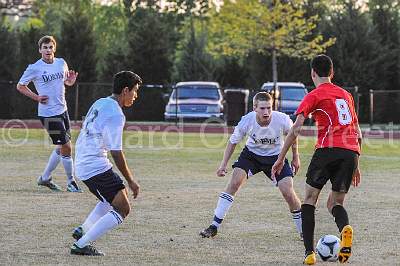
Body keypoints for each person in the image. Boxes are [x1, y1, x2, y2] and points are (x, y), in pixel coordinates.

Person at [271, 54, 362, 265]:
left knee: (310, 200)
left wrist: (281, 156)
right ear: (332, 73)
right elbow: (356, 130)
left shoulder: (314, 95)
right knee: (335, 203)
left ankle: (309, 253)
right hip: (350, 153)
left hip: (327, 151)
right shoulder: (346, 95)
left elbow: (296, 128)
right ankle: (344, 229)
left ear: (313, 73)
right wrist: (356, 162)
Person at [200, 92, 303, 240]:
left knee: (288, 192)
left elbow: (293, 135)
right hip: (251, 156)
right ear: (254, 108)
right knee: (234, 183)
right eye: (262, 108)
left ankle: (303, 231)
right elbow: (232, 141)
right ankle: (213, 227)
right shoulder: (246, 121)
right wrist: (223, 164)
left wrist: (295, 157)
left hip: (276, 158)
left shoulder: (282, 119)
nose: (266, 112)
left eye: (269, 108)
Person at [70, 71, 142, 256]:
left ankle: (84, 229)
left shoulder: (100, 102)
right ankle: (81, 244)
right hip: (93, 165)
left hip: (88, 159)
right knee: (123, 208)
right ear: (125, 90)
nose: (136, 96)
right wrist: (132, 180)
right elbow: (117, 153)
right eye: (135, 91)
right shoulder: (116, 114)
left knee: (117, 194)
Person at [16, 35, 81, 192]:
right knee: (66, 146)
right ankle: (71, 182)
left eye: (50, 47)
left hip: (62, 110)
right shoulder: (34, 67)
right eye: (44, 47)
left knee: (61, 147)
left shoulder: (61, 63)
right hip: (48, 114)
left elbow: (66, 82)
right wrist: (37, 97)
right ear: (40, 50)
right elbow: (20, 86)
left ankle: (45, 178)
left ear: (54, 48)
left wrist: (70, 81)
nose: (48, 50)